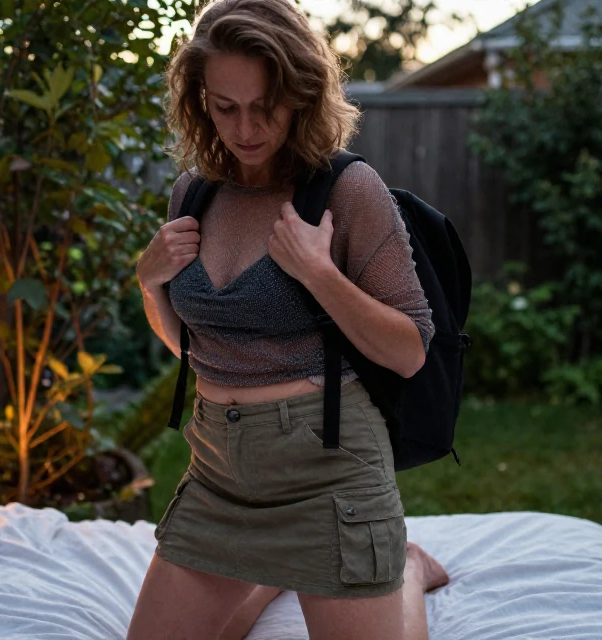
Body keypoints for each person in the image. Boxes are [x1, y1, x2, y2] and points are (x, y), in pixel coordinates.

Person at [128, 1, 449, 638]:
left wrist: (319, 273)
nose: (245, 128)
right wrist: (149, 279)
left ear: (300, 95)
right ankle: (271, 572)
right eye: (225, 107)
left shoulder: (347, 190)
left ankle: (407, 570)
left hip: (328, 470)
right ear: (200, 101)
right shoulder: (194, 193)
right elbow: (196, 349)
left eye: (265, 106)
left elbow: (411, 348)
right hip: (218, 470)